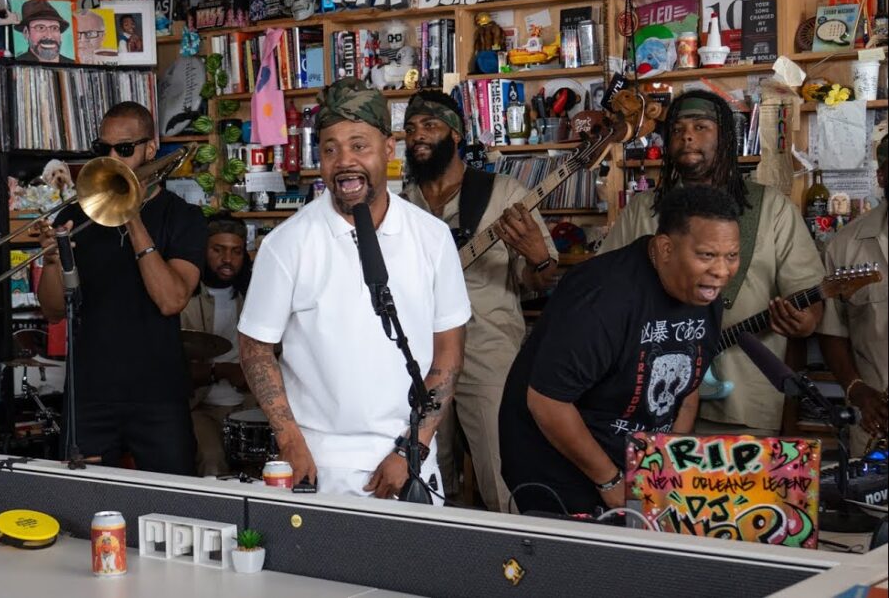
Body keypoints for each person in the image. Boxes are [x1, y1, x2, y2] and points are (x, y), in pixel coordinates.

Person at [238, 78, 471, 500]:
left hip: (410, 464)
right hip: (317, 464)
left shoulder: (433, 238)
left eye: (359, 145)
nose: (344, 161)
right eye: (330, 149)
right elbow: (255, 347)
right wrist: (290, 440)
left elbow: (448, 352)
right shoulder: (285, 244)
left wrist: (413, 447)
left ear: (389, 149)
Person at [501, 185, 740, 515]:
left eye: (732, 256)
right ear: (666, 248)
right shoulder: (602, 296)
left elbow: (687, 388)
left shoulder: (704, 291)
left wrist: (664, 464)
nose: (722, 271)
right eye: (707, 255)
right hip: (557, 462)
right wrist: (611, 483)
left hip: (629, 459)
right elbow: (548, 402)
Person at [599, 91, 824, 436]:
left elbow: (809, 295)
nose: (687, 136)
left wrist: (804, 321)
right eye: (678, 129)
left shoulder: (772, 208)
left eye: (701, 127)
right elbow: (605, 290)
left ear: (727, 137)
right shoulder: (642, 209)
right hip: (650, 397)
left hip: (743, 400)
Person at [401, 90, 556, 512]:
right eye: (410, 129)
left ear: (455, 133)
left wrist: (538, 257)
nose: (418, 135)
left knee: (502, 474)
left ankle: (517, 547)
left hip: (488, 351)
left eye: (430, 125)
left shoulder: (504, 193)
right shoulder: (400, 205)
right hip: (418, 358)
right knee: (426, 475)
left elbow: (540, 280)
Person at [37, 101, 205, 475]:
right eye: (103, 149)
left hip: (159, 394)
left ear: (151, 148)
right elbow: (52, 310)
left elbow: (172, 300)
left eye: (124, 149)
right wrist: (51, 263)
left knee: (171, 501)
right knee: (84, 503)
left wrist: (132, 217)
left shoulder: (184, 217)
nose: (112, 159)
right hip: (90, 393)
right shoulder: (75, 215)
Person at [818, 134, 888, 454]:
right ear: (881, 176)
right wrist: (856, 389)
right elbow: (832, 331)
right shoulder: (844, 245)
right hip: (876, 422)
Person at [181, 214, 257, 476]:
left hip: (250, 403)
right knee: (212, 460)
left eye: (236, 251)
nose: (227, 259)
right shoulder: (184, 299)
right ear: (203, 250)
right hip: (201, 407)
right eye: (218, 250)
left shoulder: (255, 298)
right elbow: (172, 367)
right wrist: (220, 371)